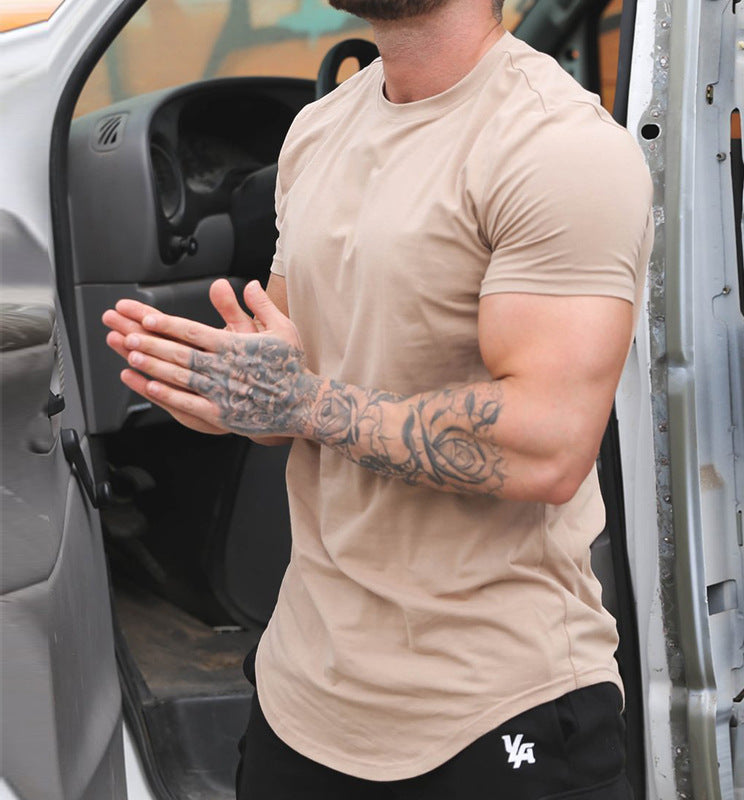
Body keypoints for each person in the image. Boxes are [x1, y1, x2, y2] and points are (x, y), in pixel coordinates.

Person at [103, 0, 654, 796]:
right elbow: (292, 384)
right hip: (304, 698)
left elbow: (548, 446)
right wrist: (233, 393)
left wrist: (302, 405)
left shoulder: (559, 147)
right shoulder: (318, 130)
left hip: (492, 707)